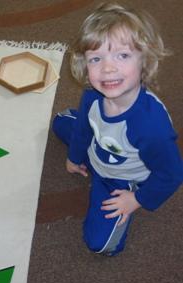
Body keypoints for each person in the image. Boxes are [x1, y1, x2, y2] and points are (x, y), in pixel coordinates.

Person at [52, 2, 183, 256]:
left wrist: (135, 200)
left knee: (100, 244)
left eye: (122, 55)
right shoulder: (92, 94)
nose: (107, 68)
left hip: (122, 180)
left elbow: (171, 174)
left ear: (145, 59)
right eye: (96, 58)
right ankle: (81, 148)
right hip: (95, 150)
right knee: (63, 123)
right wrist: (73, 158)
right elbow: (82, 130)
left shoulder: (150, 127)